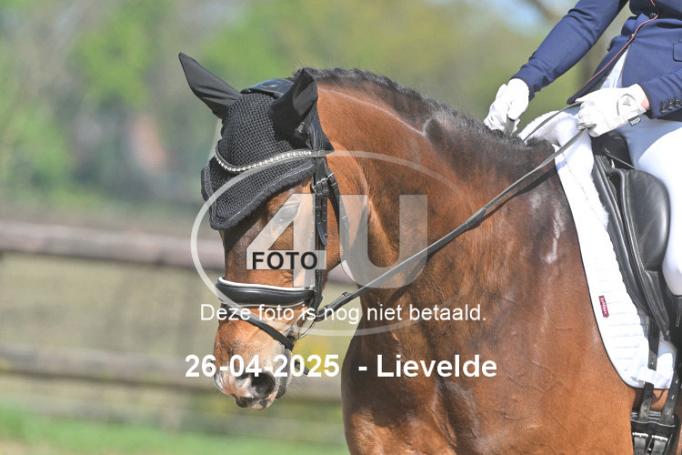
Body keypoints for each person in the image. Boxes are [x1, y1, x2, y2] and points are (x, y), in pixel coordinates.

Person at [484, 0, 682, 306]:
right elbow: (587, 19)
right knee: (497, 188)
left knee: (678, 265)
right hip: (600, 102)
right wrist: (524, 82)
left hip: (667, 119)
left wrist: (644, 97)